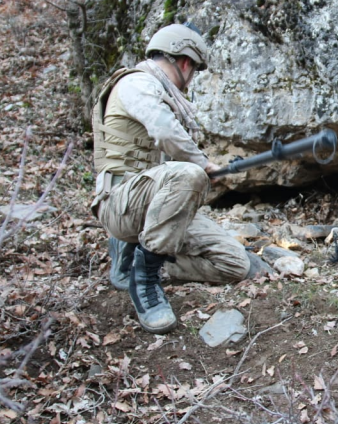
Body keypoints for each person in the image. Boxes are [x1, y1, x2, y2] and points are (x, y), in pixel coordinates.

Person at [91, 23, 264, 334]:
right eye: (195, 69)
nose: (192, 77)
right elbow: (164, 130)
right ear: (186, 63)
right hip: (120, 205)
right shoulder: (137, 84)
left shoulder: (157, 90)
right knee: (189, 174)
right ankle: (145, 285)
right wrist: (203, 165)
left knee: (234, 264)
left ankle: (136, 261)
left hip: (150, 205)